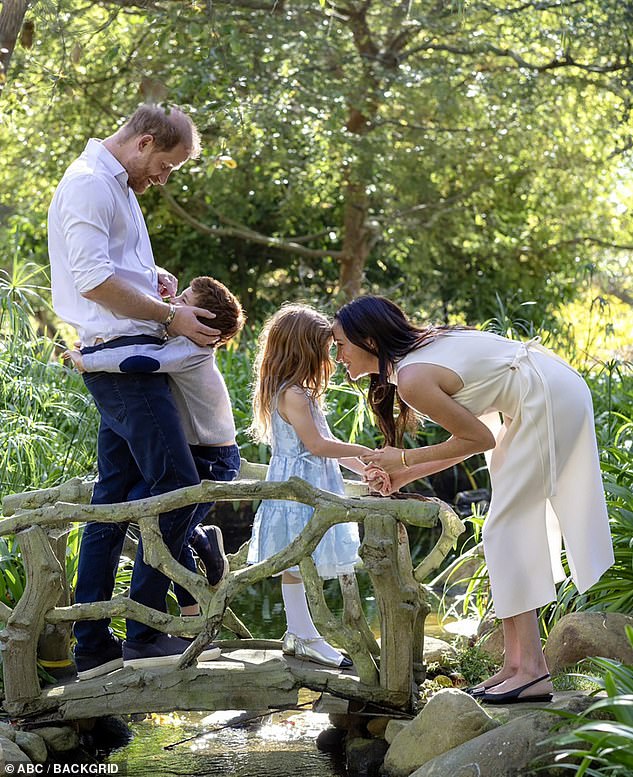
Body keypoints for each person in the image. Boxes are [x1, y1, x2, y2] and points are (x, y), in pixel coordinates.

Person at [333, 295, 614, 703]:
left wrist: (404, 458)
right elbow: (465, 442)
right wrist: (402, 474)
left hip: (549, 399)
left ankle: (533, 671)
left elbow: (480, 438)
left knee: (505, 528)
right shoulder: (420, 355)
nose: (337, 354)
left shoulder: (412, 378)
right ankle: (516, 665)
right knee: (505, 529)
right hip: (548, 391)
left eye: (340, 344)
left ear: (370, 341)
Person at [49, 104, 224, 679]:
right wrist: (170, 314)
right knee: (176, 486)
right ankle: (146, 631)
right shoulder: (91, 185)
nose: (163, 179)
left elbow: (114, 271)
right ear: (144, 142)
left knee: (113, 503)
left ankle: (94, 648)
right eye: (166, 166)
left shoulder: (118, 184)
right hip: (126, 367)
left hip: (124, 359)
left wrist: (153, 283)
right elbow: (93, 281)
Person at [64, 275, 246, 614]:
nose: (174, 306)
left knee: (162, 519)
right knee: (154, 514)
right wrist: (164, 294)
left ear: (203, 324)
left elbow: (140, 359)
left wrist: (88, 361)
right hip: (198, 450)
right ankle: (198, 557)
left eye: (185, 301)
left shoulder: (191, 350)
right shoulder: (179, 341)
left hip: (214, 458)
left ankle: (193, 592)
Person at [247, 304, 378, 669]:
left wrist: (365, 467)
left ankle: (299, 632)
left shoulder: (299, 392)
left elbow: (327, 444)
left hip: (309, 485)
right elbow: (318, 447)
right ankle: (305, 635)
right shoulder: (293, 394)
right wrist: (366, 450)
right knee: (299, 560)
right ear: (304, 350)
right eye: (325, 348)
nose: (331, 356)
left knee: (301, 562)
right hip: (299, 492)